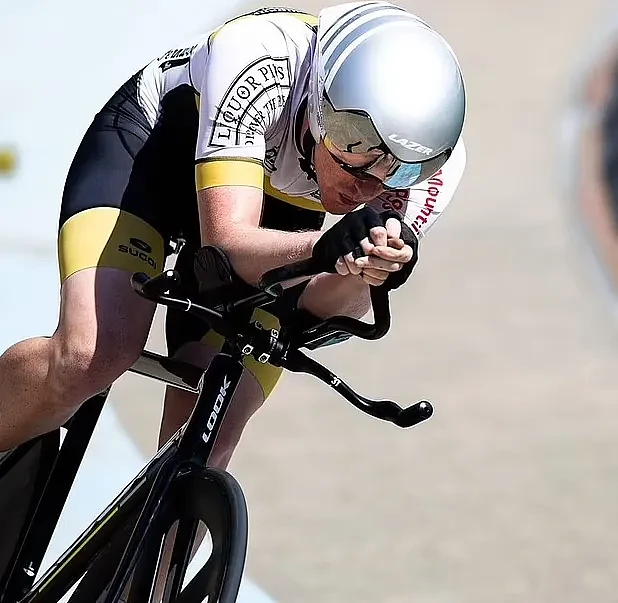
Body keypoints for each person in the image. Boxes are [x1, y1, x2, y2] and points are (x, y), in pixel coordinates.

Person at [0, 1, 467, 467]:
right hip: (155, 157)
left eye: (400, 170)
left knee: (216, 424)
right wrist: (324, 248)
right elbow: (227, 242)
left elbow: (317, 314)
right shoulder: (259, 55)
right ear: (321, 105)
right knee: (92, 355)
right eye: (356, 147)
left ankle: (163, 534)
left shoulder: (434, 164)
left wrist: (362, 271)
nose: (370, 184)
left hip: (276, 213)